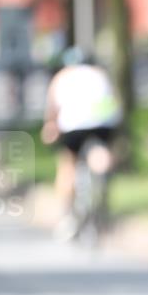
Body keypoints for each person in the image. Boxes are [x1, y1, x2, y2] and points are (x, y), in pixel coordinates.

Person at [40, 47, 122, 239]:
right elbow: (115, 102)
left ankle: (67, 216)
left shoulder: (62, 76)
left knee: (68, 164)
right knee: (99, 154)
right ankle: (102, 176)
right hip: (103, 122)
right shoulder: (100, 74)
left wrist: (50, 127)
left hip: (73, 124)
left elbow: (52, 109)